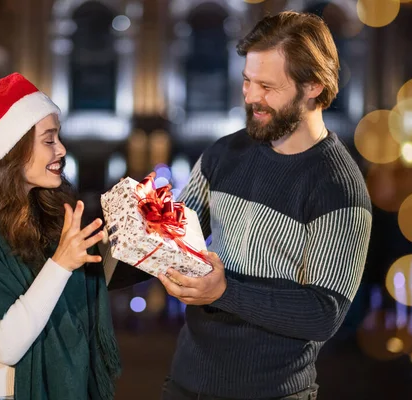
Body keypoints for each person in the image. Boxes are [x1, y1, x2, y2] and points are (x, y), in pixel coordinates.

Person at [154, 11, 372, 400]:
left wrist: (224, 292)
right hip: (185, 383)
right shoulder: (224, 153)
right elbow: (174, 236)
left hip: (272, 392)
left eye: (268, 86)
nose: (252, 96)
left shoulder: (339, 187)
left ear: (314, 87)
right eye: (247, 81)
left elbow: (324, 313)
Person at [0, 72, 120, 400]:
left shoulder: (53, 215)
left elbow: (91, 284)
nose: (61, 149)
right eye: (49, 140)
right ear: (13, 149)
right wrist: (61, 264)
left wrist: (140, 237)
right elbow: (3, 346)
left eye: (58, 137)